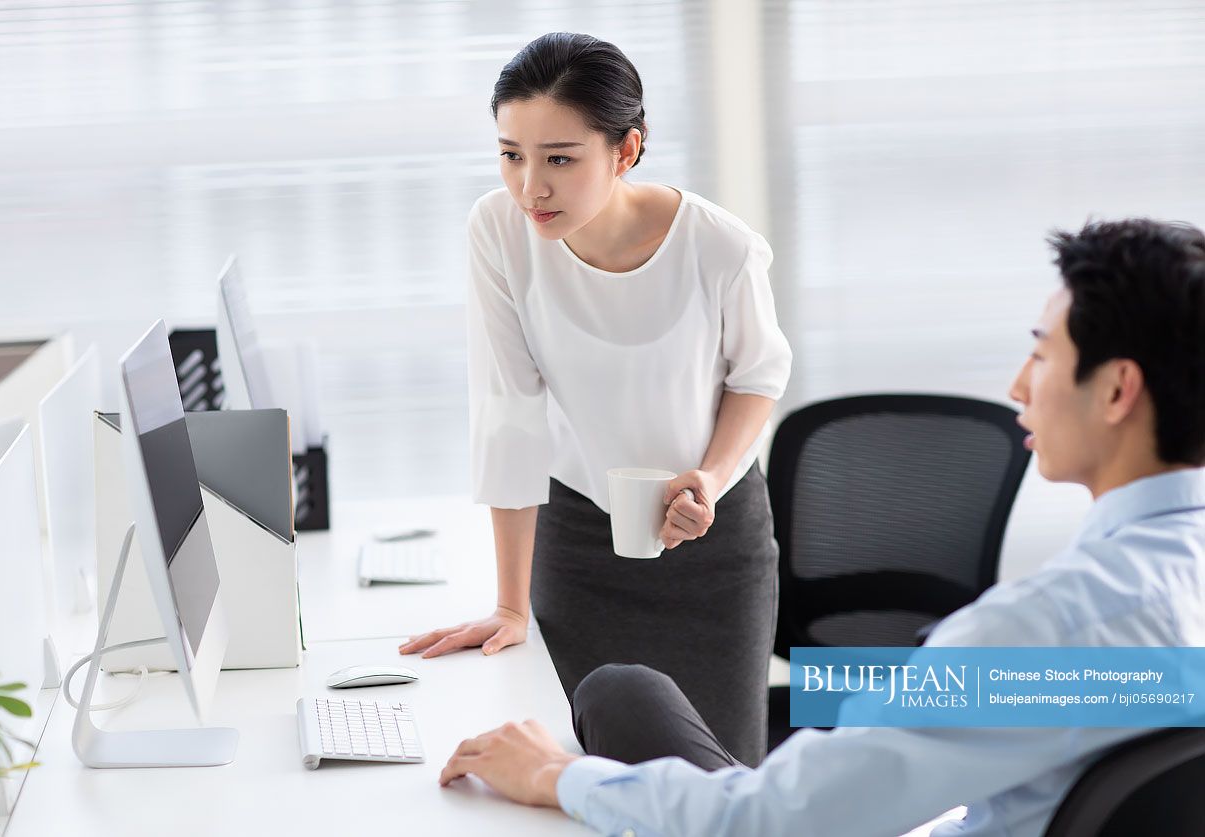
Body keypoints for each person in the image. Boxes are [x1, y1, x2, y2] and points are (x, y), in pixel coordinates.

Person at [436, 218, 1205, 836]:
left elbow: (773, 819)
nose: (1016, 385)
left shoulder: (1049, 629)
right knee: (627, 695)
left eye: (1041, 354)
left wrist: (554, 775)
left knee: (617, 697)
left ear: (1115, 390)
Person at [399, 32, 792, 767]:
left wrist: (707, 476)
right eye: (511, 154)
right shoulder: (499, 230)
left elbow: (757, 376)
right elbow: (509, 409)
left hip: (709, 543)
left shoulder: (720, 246)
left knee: (719, 784)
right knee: (575, 774)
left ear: (627, 149)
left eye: (559, 158)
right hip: (577, 540)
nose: (530, 187)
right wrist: (510, 602)